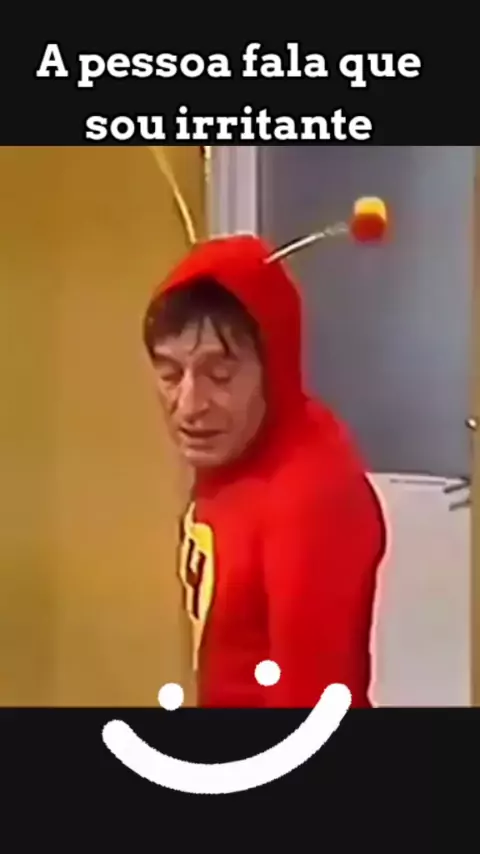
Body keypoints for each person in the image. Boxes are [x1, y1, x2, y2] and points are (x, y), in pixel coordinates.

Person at [143, 234, 386, 708]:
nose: (189, 406)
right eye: (170, 374)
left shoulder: (310, 500)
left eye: (220, 375)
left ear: (275, 366)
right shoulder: (235, 450)